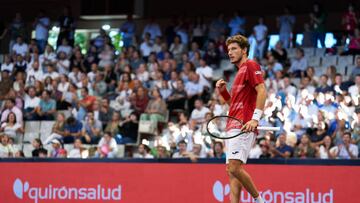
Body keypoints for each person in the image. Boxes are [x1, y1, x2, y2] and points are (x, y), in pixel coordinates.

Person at [216, 34, 267, 203]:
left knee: (235, 167)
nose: (230, 53)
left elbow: (262, 90)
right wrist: (223, 91)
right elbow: (233, 104)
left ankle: (261, 201)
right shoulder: (239, 73)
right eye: (228, 50)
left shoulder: (251, 65)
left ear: (244, 50)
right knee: (231, 172)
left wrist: (255, 119)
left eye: (234, 49)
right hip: (233, 125)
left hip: (244, 125)